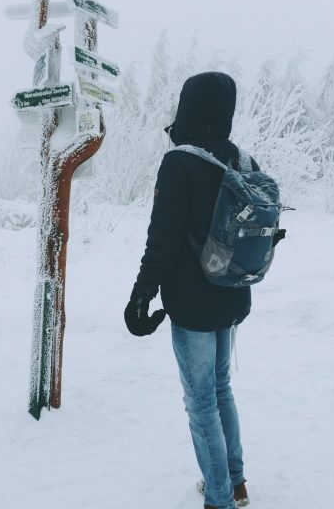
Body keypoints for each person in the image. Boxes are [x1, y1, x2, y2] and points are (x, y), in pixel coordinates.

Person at [124, 72, 257, 509]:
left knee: (201, 401)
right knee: (221, 389)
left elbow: (162, 239)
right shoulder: (243, 160)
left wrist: (141, 295)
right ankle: (235, 483)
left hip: (193, 303)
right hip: (232, 293)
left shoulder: (180, 162)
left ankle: (219, 499)